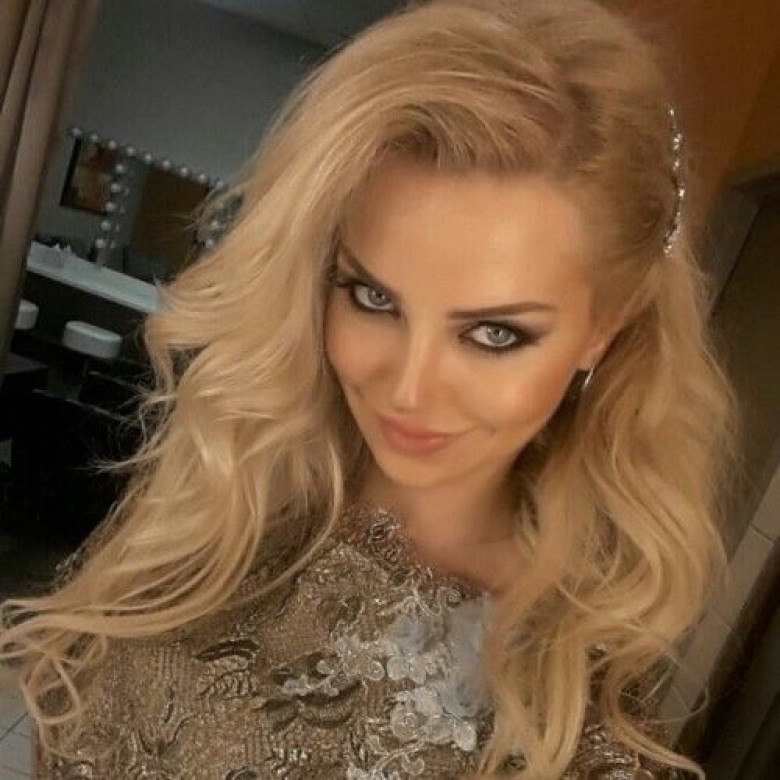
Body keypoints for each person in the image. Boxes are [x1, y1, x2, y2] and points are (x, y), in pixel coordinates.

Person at [0, 0, 741, 777]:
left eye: (494, 334)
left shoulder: (571, 742)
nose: (410, 389)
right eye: (373, 297)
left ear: (603, 330)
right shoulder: (227, 496)